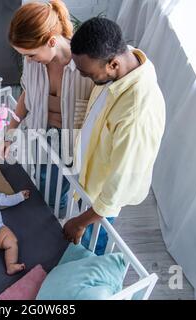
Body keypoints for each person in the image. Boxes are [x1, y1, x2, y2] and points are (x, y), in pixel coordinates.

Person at [63, 18, 166, 255]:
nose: (85, 78)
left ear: (112, 64)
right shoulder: (122, 63)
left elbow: (123, 179)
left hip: (101, 200)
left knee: (88, 251)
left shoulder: (136, 111)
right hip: (88, 177)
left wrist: (81, 221)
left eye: (88, 74)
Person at [3, 0, 94, 210]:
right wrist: (10, 132)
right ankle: (48, 212)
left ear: (52, 41)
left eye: (31, 54)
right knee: (42, 179)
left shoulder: (86, 67)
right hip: (40, 133)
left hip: (71, 141)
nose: (28, 60)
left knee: (59, 189)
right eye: (24, 55)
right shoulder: (33, 63)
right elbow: (27, 96)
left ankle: (54, 219)